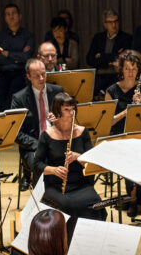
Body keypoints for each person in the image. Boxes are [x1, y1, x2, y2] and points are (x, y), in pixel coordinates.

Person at [33, 93, 106, 237]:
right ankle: (70, 245)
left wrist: (78, 156)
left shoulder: (82, 132)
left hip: (80, 183)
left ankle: (92, 240)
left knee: (96, 202)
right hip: (56, 186)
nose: (71, 113)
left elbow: (92, 159)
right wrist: (54, 170)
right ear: (58, 111)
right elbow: (36, 164)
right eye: (67, 109)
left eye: (73, 109)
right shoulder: (47, 135)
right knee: (70, 206)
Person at [105, 50, 141, 217]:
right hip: (119, 137)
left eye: (134, 68)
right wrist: (128, 110)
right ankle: (135, 198)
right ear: (121, 70)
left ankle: (139, 197)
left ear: (139, 70)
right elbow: (107, 122)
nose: (131, 72)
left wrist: (139, 108)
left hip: (140, 136)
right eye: (127, 68)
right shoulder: (112, 91)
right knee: (127, 154)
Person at [11, 59, 64, 191]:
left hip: (57, 140)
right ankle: (42, 202)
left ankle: (66, 199)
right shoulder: (19, 99)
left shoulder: (58, 91)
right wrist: (39, 144)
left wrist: (59, 120)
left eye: (44, 74)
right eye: (37, 76)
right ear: (29, 77)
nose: (41, 78)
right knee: (40, 164)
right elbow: (16, 133)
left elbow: (70, 120)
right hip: (33, 146)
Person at [0, 3, 34, 112]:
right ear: (5, 18)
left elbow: (26, 57)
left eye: (14, 13)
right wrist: (17, 56)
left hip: (21, 73)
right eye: (8, 14)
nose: (11, 16)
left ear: (20, 16)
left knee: (14, 95)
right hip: (3, 73)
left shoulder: (27, 35)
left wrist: (7, 54)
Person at [86, 9, 132, 97]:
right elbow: (89, 59)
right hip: (99, 75)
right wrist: (110, 61)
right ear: (105, 24)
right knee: (90, 94)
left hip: (117, 75)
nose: (114, 25)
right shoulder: (98, 38)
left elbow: (124, 58)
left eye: (116, 21)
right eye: (110, 22)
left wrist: (101, 56)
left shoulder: (126, 38)